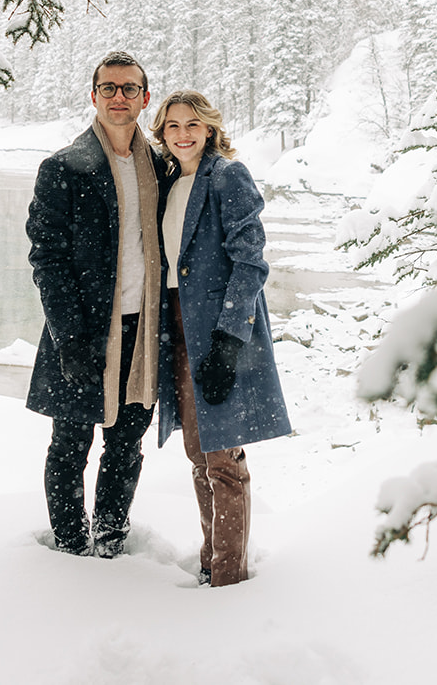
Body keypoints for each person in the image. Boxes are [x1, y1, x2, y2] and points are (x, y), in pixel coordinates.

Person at [25, 50, 168, 557]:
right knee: (70, 445)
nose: (119, 97)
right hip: (85, 331)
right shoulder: (65, 167)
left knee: (126, 444)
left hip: (145, 330)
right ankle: (67, 546)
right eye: (109, 88)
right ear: (94, 95)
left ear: (144, 98)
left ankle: (110, 537)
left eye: (130, 88)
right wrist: (71, 338)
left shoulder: (161, 166)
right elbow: (48, 259)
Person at [151, 90, 291, 586]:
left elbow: (250, 260)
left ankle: (230, 575)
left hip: (219, 330)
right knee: (198, 452)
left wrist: (229, 342)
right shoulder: (169, 181)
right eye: (172, 126)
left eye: (192, 124)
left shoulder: (227, 176)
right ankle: (211, 559)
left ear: (209, 128)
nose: (183, 133)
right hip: (178, 326)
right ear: (163, 133)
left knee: (223, 458)